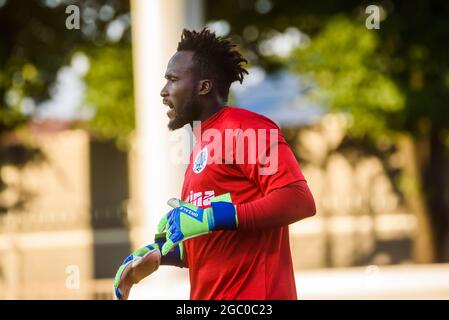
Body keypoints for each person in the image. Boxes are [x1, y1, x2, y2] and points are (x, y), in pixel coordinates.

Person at [114, 28, 316, 300]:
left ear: (204, 86)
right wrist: (162, 252)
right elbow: (220, 240)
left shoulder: (248, 128)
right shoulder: (202, 144)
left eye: (173, 80)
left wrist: (212, 216)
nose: (163, 91)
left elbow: (298, 199)